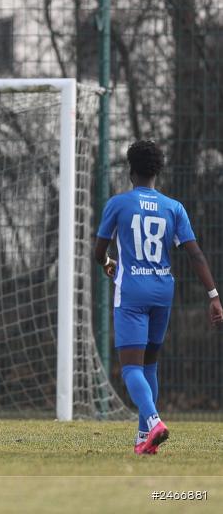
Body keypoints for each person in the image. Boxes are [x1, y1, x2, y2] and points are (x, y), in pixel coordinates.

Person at [94, 140, 223, 454]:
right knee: (149, 366)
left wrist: (109, 263)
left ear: (130, 171)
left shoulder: (118, 204)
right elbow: (195, 255)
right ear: (158, 171)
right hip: (163, 292)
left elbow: (99, 252)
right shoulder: (173, 207)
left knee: (130, 369)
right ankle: (144, 440)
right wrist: (214, 296)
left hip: (132, 293)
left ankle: (154, 422)